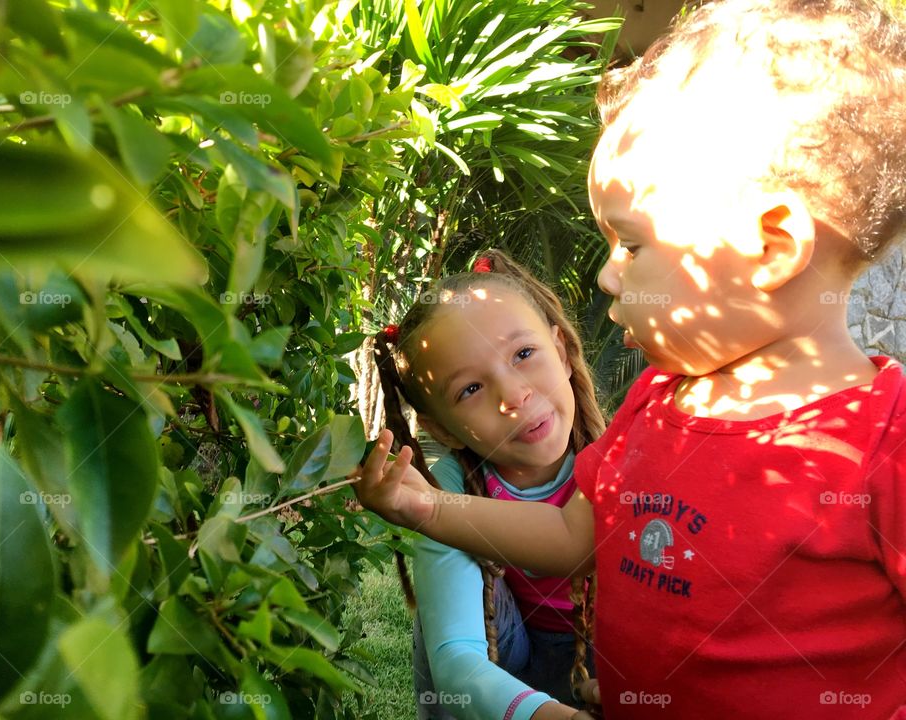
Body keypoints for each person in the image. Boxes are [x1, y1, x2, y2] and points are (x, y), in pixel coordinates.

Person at [356, 1, 906, 718]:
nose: (607, 276)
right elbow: (572, 536)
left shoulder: (884, 448)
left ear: (771, 248)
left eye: (633, 245)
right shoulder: (655, 402)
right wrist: (425, 506)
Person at [369, 250, 606, 720]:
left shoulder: (618, 456)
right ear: (445, 429)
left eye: (524, 354)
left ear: (560, 352)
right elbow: (457, 659)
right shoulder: (450, 487)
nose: (514, 396)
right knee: (446, 543)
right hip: (504, 664)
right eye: (471, 389)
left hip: (606, 654)